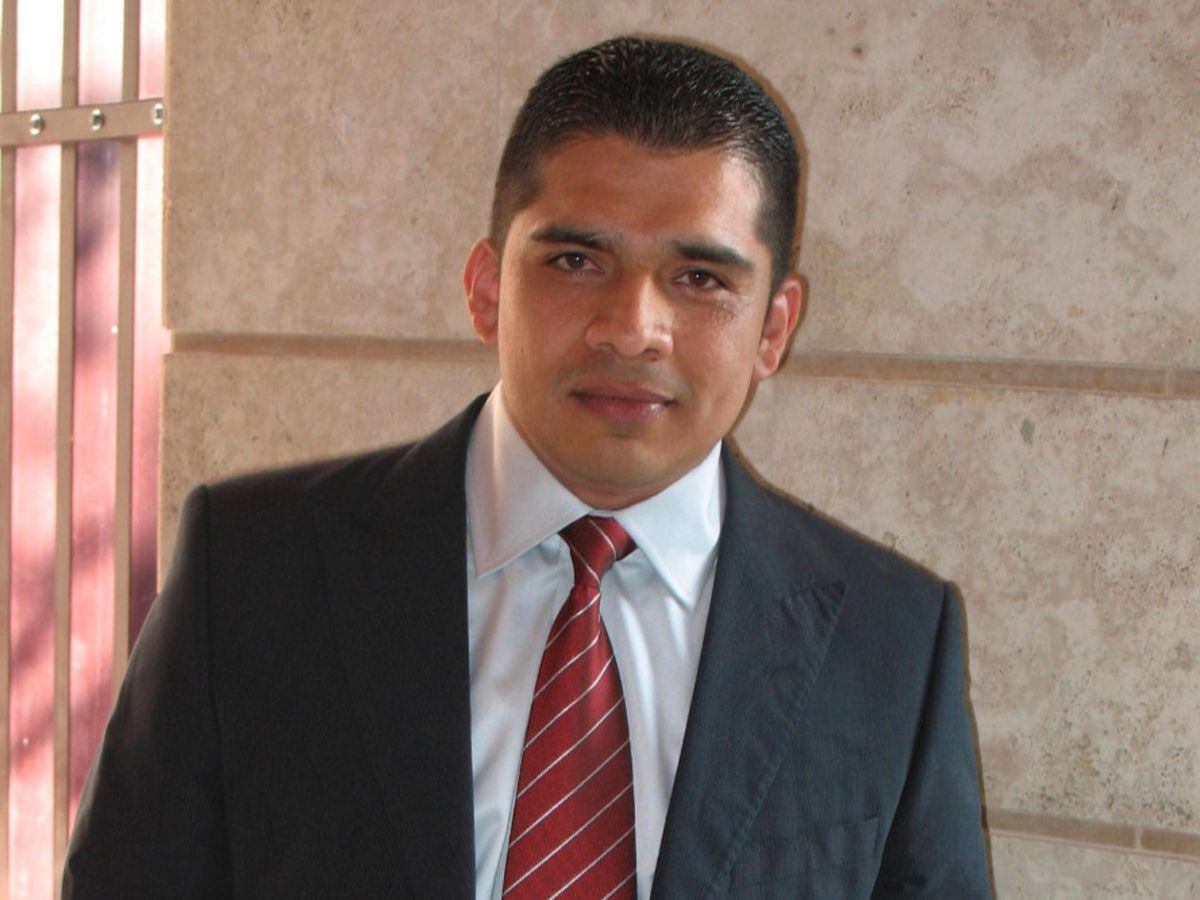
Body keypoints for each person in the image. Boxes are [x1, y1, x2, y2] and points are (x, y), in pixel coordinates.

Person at [64, 36, 990, 899]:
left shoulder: (892, 643)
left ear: (774, 329)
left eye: (700, 279)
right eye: (577, 260)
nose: (631, 329)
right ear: (485, 289)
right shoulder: (254, 570)